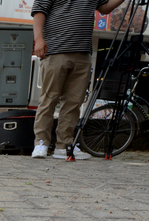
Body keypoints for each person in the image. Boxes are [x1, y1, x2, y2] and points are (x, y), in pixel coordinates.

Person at [30, 0, 125, 160]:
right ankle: (41, 143)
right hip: (55, 50)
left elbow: (105, 8)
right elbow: (39, 10)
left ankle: (64, 146)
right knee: (49, 98)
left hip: (83, 53)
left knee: (74, 102)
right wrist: (38, 38)